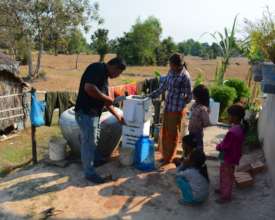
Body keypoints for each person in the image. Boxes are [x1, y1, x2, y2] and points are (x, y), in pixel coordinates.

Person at [75, 57, 126, 184]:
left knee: (93, 139)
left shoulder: (104, 78)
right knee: (89, 142)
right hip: (86, 112)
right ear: (113, 66)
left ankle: (94, 160)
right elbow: (88, 87)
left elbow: (107, 102)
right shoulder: (97, 68)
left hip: (92, 114)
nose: (117, 76)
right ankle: (89, 173)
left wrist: (117, 116)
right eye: (118, 73)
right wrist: (106, 98)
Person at [149, 53, 192, 165]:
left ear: (178, 65)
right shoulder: (171, 72)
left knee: (172, 135)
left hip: (177, 109)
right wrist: (151, 95)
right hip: (168, 107)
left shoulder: (185, 76)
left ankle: (169, 158)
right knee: (165, 132)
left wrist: (182, 103)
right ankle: (164, 155)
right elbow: (163, 87)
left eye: (171, 65)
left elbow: (189, 95)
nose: (170, 66)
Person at [216, 104, 247, 203]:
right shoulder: (239, 128)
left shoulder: (233, 131)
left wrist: (219, 146)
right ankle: (222, 190)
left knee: (226, 177)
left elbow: (225, 145)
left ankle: (225, 196)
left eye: (229, 115)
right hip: (233, 157)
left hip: (228, 158)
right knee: (226, 175)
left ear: (235, 117)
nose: (228, 117)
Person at [188, 84, 210, 149]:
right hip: (191, 131)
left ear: (199, 96)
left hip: (198, 134)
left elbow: (206, 123)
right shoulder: (195, 105)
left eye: (194, 94)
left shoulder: (203, 109)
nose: (193, 96)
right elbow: (191, 113)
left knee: (198, 149)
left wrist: (199, 124)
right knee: (190, 148)